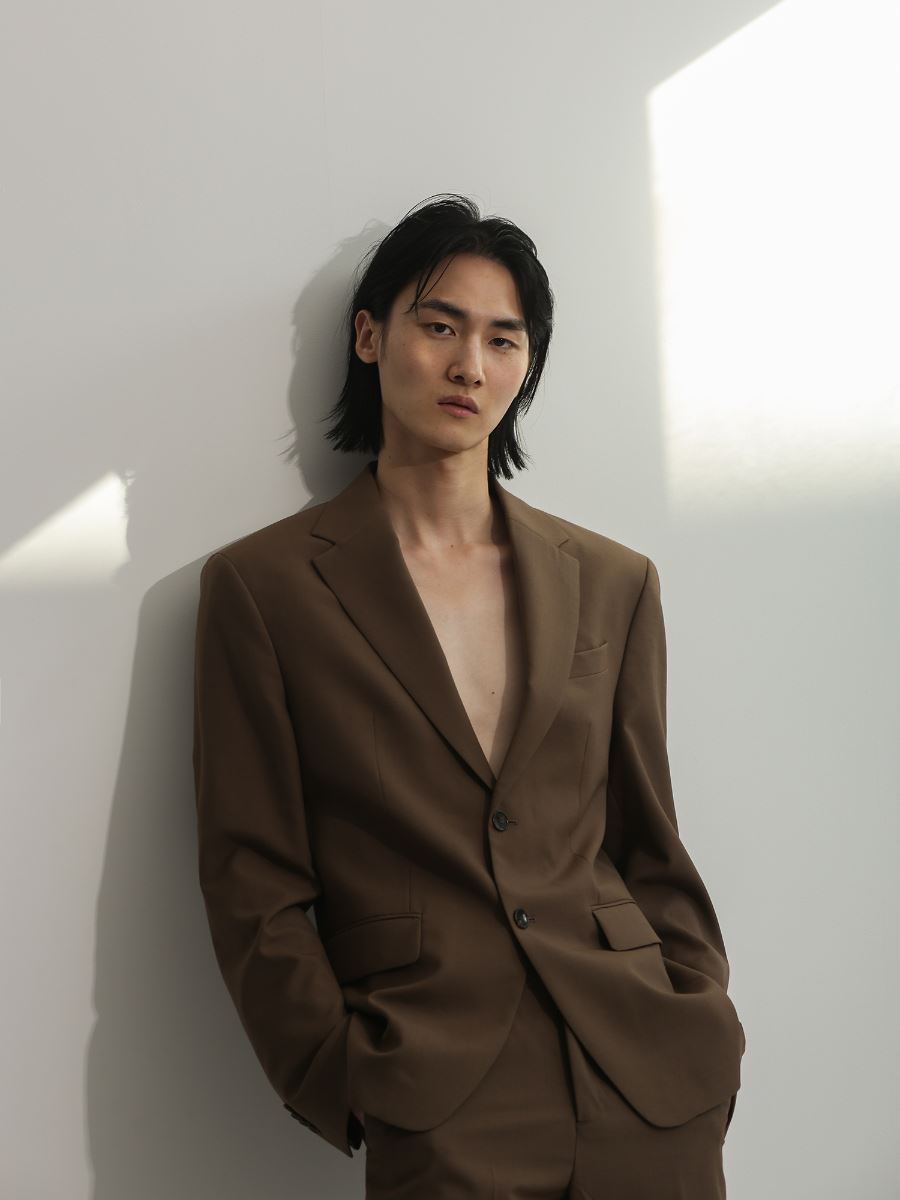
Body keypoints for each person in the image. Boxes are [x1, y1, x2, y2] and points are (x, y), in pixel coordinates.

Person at [192, 193, 746, 1198]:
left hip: (645, 1073)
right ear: (370, 336)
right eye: (440, 326)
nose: (470, 366)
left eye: (503, 339)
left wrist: (700, 1012)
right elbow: (252, 874)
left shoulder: (612, 581)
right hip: (436, 1089)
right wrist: (341, 1076)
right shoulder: (265, 589)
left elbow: (650, 839)